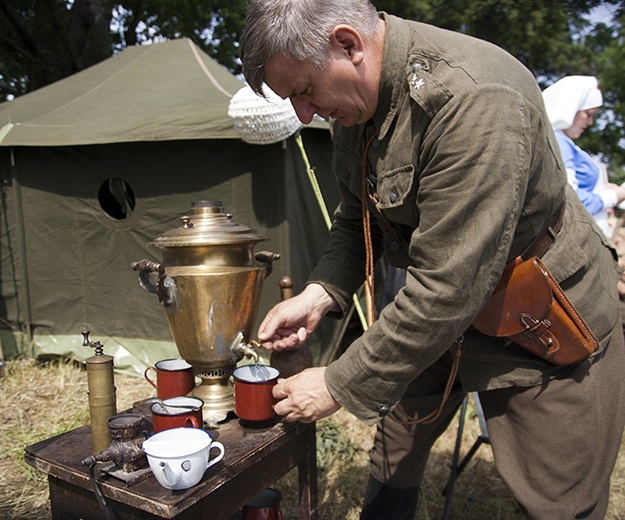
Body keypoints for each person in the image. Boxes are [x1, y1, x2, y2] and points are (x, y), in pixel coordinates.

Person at [239, 1, 625, 518]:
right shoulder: (354, 104)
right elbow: (359, 218)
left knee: (558, 497)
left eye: (304, 91)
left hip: (542, 320)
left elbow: (448, 285)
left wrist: (336, 383)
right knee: (398, 432)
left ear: (348, 44)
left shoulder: (474, 99)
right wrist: (321, 292)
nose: (304, 114)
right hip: (442, 310)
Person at [542, 75, 625, 238]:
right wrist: (617, 195)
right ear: (570, 108)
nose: (590, 122)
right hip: (578, 239)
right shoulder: (559, 140)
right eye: (588, 114)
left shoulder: (563, 142)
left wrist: (604, 189)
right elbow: (569, 197)